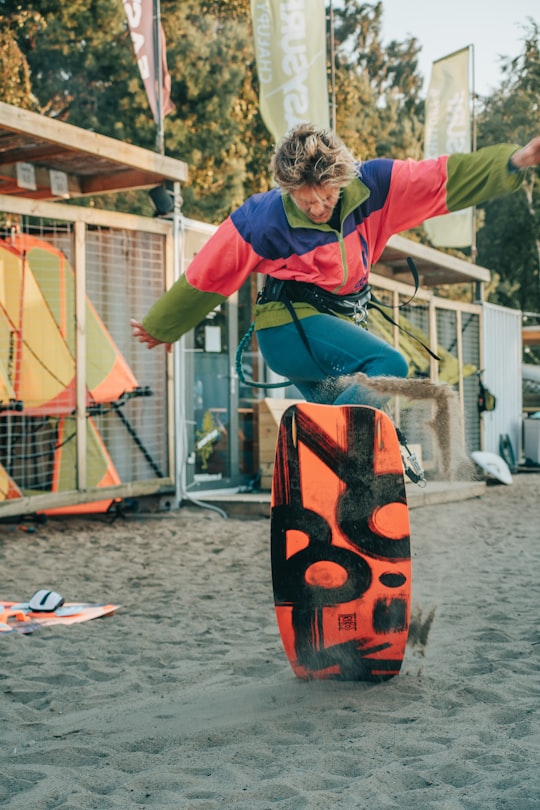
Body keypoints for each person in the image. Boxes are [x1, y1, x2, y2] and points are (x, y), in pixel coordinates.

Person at [131, 124, 540, 409]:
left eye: (326, 197)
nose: (318, 208)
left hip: (337, 323)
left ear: (341, 178)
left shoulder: (376, 185)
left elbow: (439, 179)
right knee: (390, 367)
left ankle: (338, 498)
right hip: (287, 327)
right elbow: (210, 270)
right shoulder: (263, 216)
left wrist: (513, 161)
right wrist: (163, 325)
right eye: (305, 201)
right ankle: (317, 451)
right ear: (287, 189)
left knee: (351, 420)